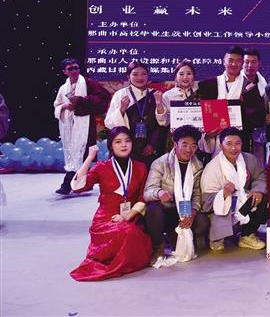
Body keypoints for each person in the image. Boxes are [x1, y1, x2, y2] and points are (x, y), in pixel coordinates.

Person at [69, 127, 152, 281]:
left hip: (130, 215)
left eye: (127, 141)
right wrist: (89, 158)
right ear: (111, 146)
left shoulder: (140, 167)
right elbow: (77, 186)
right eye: (118, 142)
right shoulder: (102, 167)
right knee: (126, 232)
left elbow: (143, 197)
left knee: (132, 231)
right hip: (106, 218)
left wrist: (127, 216)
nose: (124, 145)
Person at [144, 125, 209, 263]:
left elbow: (197, 194)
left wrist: (193, 213)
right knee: (153, 210)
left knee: (202, 222)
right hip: (164, 210)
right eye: (184, 144)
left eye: (193, 146)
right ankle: (158, 246)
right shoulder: (160, 163)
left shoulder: (197, 165)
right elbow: (147, 192)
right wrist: (159, 192)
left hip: (183, 212)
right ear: (175, 144)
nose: (189, 150)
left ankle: (179, 236)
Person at [200, 127, 268, 251]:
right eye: (229, 144)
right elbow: (205, 204)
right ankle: (216, 237)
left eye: (237, 143)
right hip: (221, 210)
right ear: (221, 146)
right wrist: (223, 194)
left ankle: (247, 235)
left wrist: (257, 190)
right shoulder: (212, 168)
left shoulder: (249, 159)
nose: (233, 148)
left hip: (242, 204)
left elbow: (260, 176)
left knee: (261, 196)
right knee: (218, 248)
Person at [53, 57, 110, 195]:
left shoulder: (88, 83)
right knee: (75, 153)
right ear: (64, 71)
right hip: (69, 125)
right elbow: (57, 104)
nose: (74, 71)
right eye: (70, 69)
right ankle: (84, 183)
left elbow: (103, 97)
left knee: (80, 152)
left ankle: (67, 184)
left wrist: (79, 102)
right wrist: (65, 106)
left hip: (85, 124)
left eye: (76, 68)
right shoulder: (63, 88)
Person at [198, 45, 266, 156]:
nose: (234, 64)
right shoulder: (208, 85)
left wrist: (244, 104)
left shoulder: (249, 87)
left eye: (238, 61)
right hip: (213, 140)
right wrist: (208, 132)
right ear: (223, 61)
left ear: (242, 63)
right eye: (230, 60)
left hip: (239, 141)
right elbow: (200, 111)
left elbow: (258, 119)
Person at [104, 60, 167, 168]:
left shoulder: (155, 94)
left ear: (148, 76)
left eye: (143, 74)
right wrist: (122, 110)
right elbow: (109, 123)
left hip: (149, 148)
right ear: (128, 76)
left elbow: (162, 124)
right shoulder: (121, 94)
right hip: (126, 146)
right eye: (135, 74)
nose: (140, 77)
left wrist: (153, 144)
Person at [155, 60, 204, 155]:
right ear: (176, 76)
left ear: (193, 76)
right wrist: (158, 104)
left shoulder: (201, 93)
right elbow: (164, 122)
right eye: (181, 74)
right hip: (176, 140)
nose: (185, 77)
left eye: (189, 74)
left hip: (197, 139)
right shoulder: (168, 95)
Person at [242, 47, 269, 163]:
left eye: (253, 62)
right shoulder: (234, 83)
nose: (250, 65)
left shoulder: (265, 84)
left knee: (259, 164)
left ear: (259, 63)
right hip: (240, 132)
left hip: (259, 132)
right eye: (247, 62)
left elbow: (268, 108)